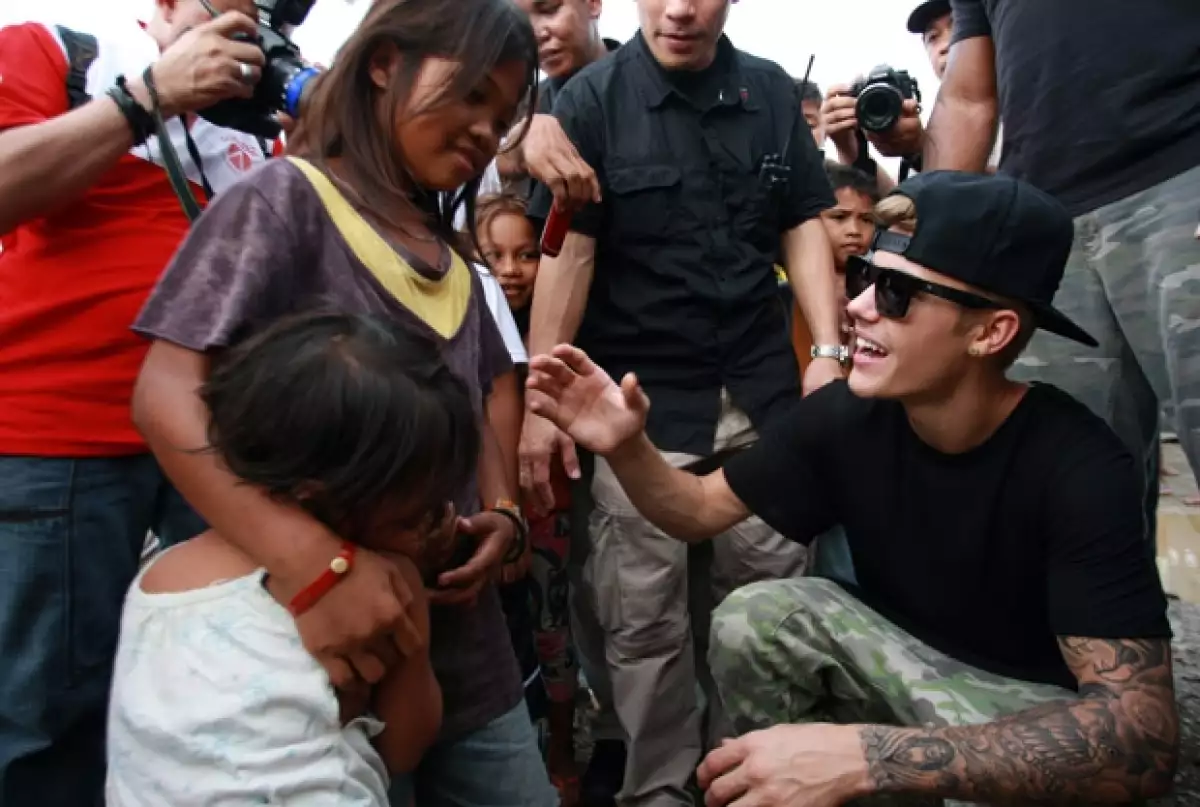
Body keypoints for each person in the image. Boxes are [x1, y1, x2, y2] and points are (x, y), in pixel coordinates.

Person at [525, 171, 1178, 806]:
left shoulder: (1081, 463)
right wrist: (627, 446)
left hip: (1019, 724)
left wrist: (869, 756)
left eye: (896, 294)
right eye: (866, 277)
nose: (857, 305)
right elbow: (696, 510)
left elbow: (1141, 739)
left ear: (991, 331)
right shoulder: (847, 417)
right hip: (904, 687)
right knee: (760, 617)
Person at [127, 1, 558, 805]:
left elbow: (474, 411)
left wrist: (500, 514)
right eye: (469, 95)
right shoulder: (284, 203)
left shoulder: (454, 258)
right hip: (330, 660)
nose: (483, 130)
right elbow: (163, 395)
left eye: (502, 117)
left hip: (468, 662)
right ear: (384, 62)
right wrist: (313, 565)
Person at [519, 1, 841, 803]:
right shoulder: (589, 101)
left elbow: (805, 223)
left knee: (763, 605)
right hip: (640, 409)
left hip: (763, 398)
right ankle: (658, 788)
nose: (681, 9)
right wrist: (539, 401)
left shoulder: (768, 94)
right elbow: (569, 252)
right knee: (644, 619)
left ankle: (748, 777)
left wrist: (828, 353)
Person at [0, 2, 273, 802]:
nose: (237, 19)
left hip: (216, 452)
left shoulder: (262, 110)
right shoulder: (57, 49)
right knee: (41, 723)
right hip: (60, 444)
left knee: (216, 705)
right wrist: (142, 99)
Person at [107, 311, 470, 805]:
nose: (432, 527)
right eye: (413, 518)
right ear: (321, 495)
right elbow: (404, 746)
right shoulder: (388, 587)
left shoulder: (158, 578)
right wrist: (416, 634)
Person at [915, 0, 1200, 545]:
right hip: (1045, 234)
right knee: (1069, 496)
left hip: (1182, 179)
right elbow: (970, 97)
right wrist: (929, 250)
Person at [477, 191, 583, 804]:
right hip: (488, 506)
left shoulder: (563, 330)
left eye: (526, 253)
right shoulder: (470, 317)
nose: (512, 269)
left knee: (550, 624)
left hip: (545, 505)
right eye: (495, 256)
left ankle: (564, 746)